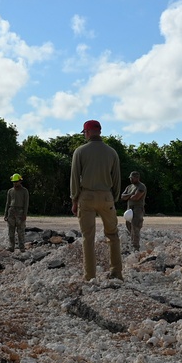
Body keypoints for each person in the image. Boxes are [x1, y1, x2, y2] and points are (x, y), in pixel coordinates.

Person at [70, 120, 123, 281]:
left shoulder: (80, 151)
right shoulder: (112, 152)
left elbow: (74, 177)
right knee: (113, 236)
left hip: (87, 197)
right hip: (107, 196)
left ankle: (90, 276)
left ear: (87, 132)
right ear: (99, 131)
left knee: (88, 238)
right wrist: (113, 198)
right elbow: (117, 178)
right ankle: (116, 273)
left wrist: (74, 199)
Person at [119, 171, 147, 251]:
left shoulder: (141, 186)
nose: (130, 179)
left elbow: (136, 197)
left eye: (132, 178)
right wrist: (131, 195)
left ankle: (135, 247)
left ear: (137, 178)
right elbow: (122, 196)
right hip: (129, 209)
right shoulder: (129, 187)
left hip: (138, 209)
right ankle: (132, 243)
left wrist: (128, 196)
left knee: (136, 226)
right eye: (130, 178)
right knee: (129, 226)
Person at [3, 172, 29, 252]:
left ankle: (22, 247)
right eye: (14, 182)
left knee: (20, 231)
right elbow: (8, 203)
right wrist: (5, 214)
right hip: (11, 211)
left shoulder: (24, 191)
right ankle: (11, 247)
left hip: (20, 211)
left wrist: (25, 214)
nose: (15, 183)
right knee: (11, 231)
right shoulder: (10, 191)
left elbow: (26, 203)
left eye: (16, 181)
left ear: (20, 181)